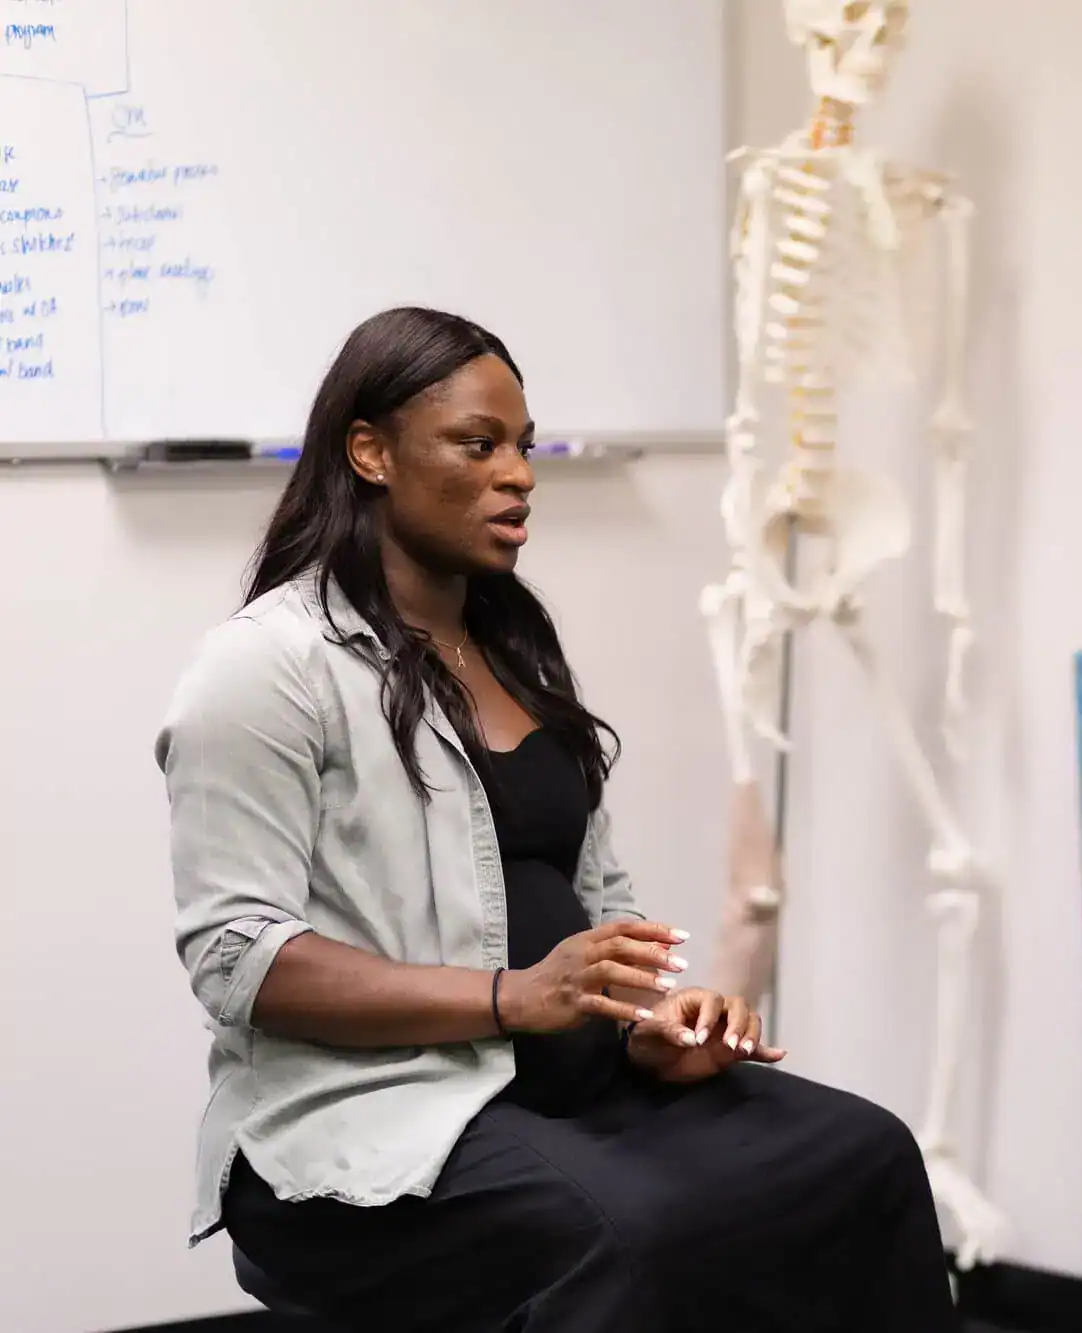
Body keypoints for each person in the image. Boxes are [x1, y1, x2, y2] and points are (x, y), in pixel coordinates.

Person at [157, 306, 959, 1332]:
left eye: (524, 447)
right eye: (478, 444)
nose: (520, 473)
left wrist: (653, 1026)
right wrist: (509, 995)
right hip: (384, 1117)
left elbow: (599, 913)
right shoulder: (264, 668)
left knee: (866, 1153)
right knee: (634, 1231)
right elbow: (238, 958)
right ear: (370, 452)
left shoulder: (516, 649)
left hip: (579, 1084)